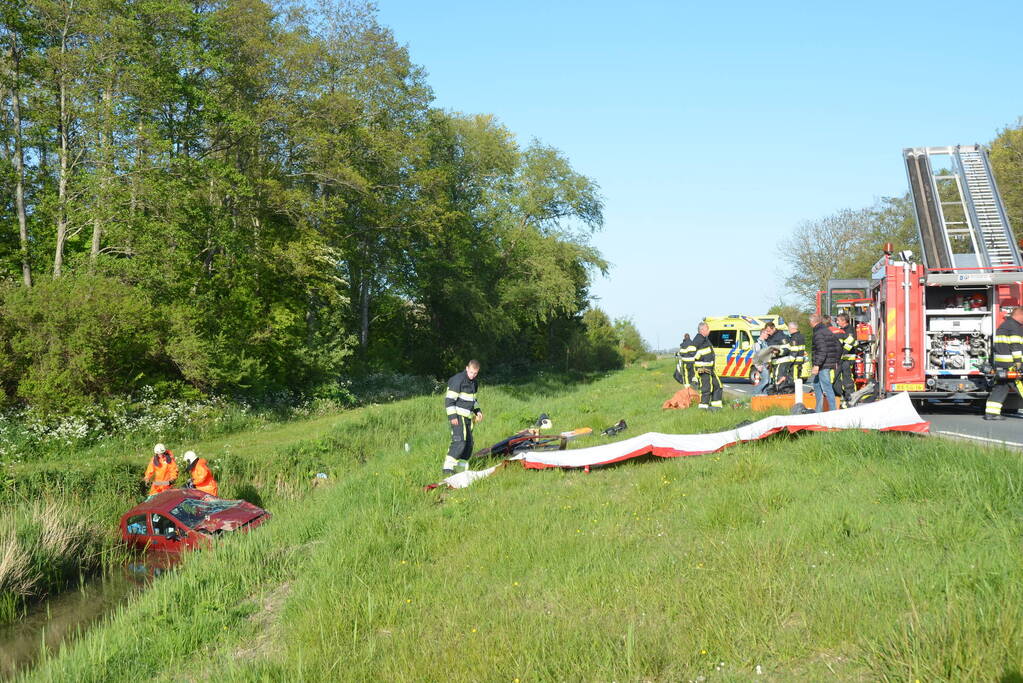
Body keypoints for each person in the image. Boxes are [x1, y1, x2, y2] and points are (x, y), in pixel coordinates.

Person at [442, 360, 484, 474]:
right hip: (457, 416)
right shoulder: (458, 380)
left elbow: (473, 400)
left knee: (469, 443)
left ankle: (460, 468)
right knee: (459, 442)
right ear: (467, 368)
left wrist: (478, 411)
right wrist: (452, 417)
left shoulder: (474, 382)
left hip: (468, 417)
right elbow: (449, 401)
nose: (473, 375)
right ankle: (447, 469)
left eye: (475, 373)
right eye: (471, 372)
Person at [984, 306, 1023, 420]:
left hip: (1002, 364)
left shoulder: (1004, 326)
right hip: (1012, 364)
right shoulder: (1014, 327)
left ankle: (991, 413)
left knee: (1001, 387)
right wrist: (1018, 363)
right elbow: (1015, 346)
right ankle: (991, 414)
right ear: (1019, 314)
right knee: (1020, 385)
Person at [809, 313, 840, 412]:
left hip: (823, 364)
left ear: (812, 322)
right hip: (827, 362)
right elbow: (838, 346)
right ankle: (818, 410)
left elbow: (822, 350)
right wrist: (836, 360)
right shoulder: (827, 330)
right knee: (816, 384)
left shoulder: (818, 333)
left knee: (827, 387)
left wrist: (817, 365)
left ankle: (832, 411)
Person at [692, 322, 723, 410]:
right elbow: (691, 355)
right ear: (702, 330)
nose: (709, 330)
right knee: (706, 389)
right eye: (707, 328)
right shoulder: (697, 340)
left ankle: (716, 407)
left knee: (717, 385)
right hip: (703, 369)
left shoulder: (705, 339)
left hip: (710, 368)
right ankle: (703, 408)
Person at [833, 313, 857, 402]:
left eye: (838, 320)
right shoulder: (841, 330)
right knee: (838, 378)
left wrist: (842, 353)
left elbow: (849, 344)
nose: (837, 322)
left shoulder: (850, 330)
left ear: (844, 321)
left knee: (847, 379)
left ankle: (851, 396)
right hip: (842, 358)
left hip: (848, 358)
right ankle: (842, 396)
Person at [763, 322, 791, 393]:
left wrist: (778, 352)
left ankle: (781, 395)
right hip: (774, 361)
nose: (768, 333)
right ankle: (777, 394)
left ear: (774, 328)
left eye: (769, 331)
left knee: (779, 379)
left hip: (782, 361)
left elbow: (787, 349)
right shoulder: (770, 337)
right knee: (774, 379)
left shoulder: (781, 336)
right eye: (767, 331)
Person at [751, 328, 772, 396]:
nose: (768, 335)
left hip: (766, 365)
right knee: (765, 381)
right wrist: (758, 365)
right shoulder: (757, 344)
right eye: (767, 334)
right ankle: (754, 394)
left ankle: (764, 395)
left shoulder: (765, 343)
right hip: (761, 365)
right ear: (762, 333)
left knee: (768, 381)